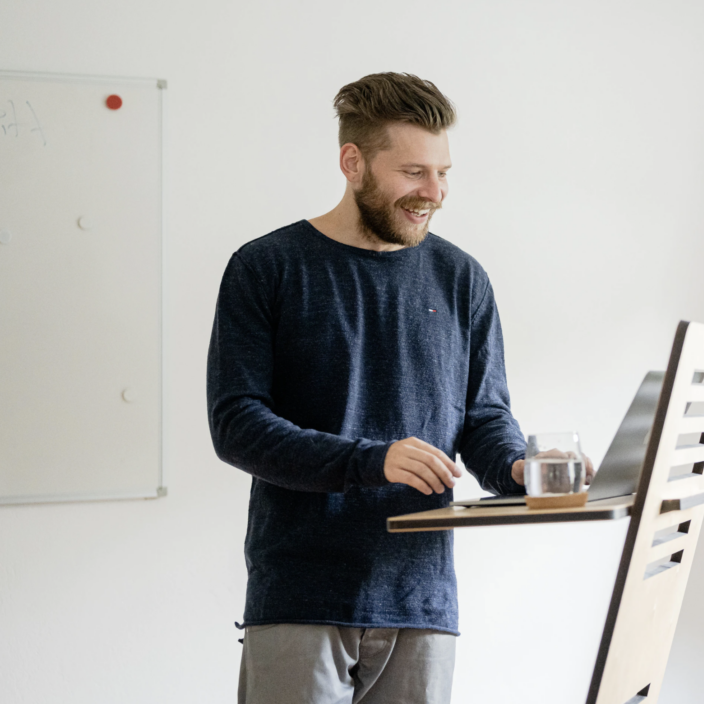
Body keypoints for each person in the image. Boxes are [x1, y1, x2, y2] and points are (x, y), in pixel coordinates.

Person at [207, 72, 554, 704]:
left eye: (444, 172)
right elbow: (237, 424)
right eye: (414, 172)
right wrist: (372, 460)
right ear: (353, 162)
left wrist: (519, 468)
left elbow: (482, 416)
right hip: (300, 595)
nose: (435, 193)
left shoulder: (461, 278)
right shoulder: (266, 267)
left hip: (422, 598)